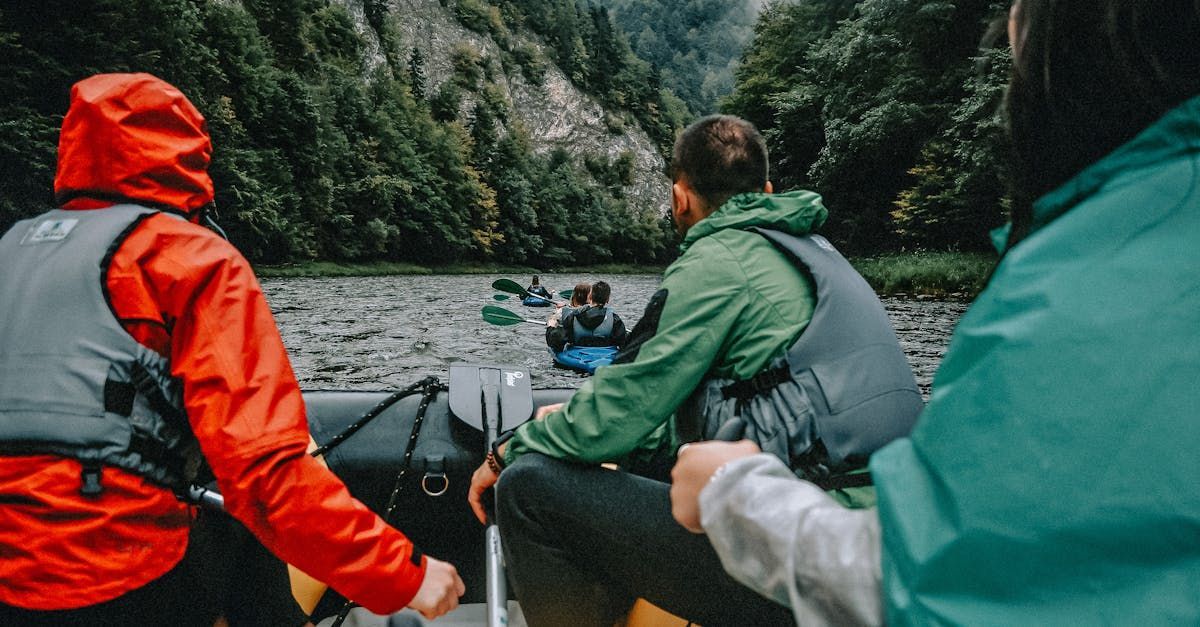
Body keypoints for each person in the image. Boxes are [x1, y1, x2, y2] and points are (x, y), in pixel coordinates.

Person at [669, 1, 1200, 623]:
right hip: (860, 480)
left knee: (536, 493)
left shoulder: (1082, 289)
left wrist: (734, 494)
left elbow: (928, 586)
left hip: (796, 493)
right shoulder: (817, 248)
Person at [0, 73, 463, 625]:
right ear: (189, 157)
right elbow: (267, 475)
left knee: (224, 523)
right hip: (114, 577)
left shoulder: (13, 248)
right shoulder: (190, 259)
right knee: (245, 531)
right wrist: (405, 572)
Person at [468, 114, 919, 626]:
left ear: (680, 197)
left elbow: (621, 410)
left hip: (815, 556)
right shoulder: (816, 254)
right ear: (766, 191)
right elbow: (749, 408)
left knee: (528, 488)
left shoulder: (717, 260)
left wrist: (508, 451)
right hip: (885, 542)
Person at [545, 280, 628, 352]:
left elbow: (556, 342)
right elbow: (624, 344)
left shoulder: (573, 316)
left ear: (590, 297)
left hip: (577, 354)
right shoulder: (614, 319)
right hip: (604, 354)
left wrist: (551, 327)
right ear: (607, 299)